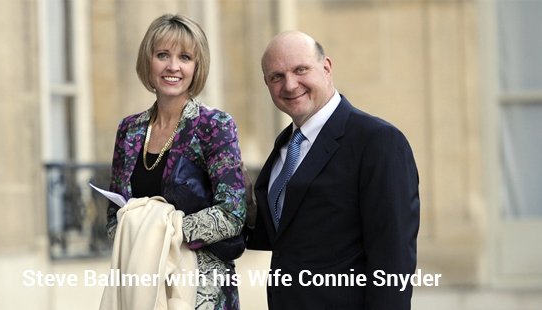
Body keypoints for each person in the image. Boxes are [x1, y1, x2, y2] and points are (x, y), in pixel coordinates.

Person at [245, 31, 420, 309]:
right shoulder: (285, 145)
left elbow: (393, 257)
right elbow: (286, 235)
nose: (290, 85)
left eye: (300, 70)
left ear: (326, 67)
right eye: (276, 77)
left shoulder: (377, 141)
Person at [106, 14, 246, 309]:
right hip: (140, 283)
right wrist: (137, 234)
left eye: (184, 57)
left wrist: (165, 230)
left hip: (199, 289)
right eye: (162, 55)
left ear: (197, 67)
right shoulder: (129, 130)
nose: (173, 66)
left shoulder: (215, 125)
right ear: (149, 62)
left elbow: (233, 213)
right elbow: (113, 217)